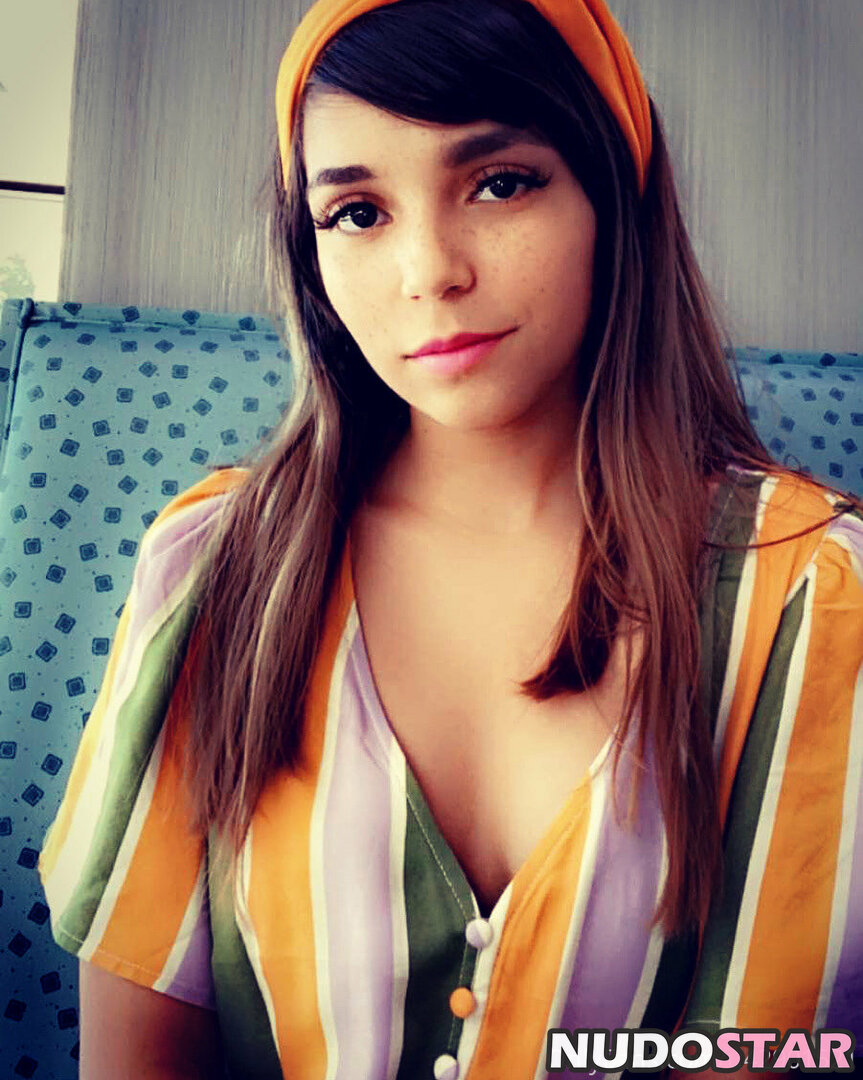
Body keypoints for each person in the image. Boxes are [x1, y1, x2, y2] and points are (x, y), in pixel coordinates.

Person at [39, 0, 863, 1076]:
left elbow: (767, 1050)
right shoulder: (215, 567)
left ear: (612, 195)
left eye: (499, 183)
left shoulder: (812, 596)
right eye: (356, 212)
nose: (428, 270)